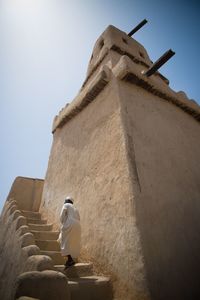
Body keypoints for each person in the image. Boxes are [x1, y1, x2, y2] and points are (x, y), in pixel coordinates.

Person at [58, 196, 81, 268]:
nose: (64, 202)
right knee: (72, 242)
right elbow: (79, 218)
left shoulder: (66, 205)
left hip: (70, 223)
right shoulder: (75, 208)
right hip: (78, 225)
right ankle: (70, 259)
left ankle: (70, 259)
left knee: (64, 240)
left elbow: (62, 216)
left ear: (67, 201)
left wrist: (64, 223)